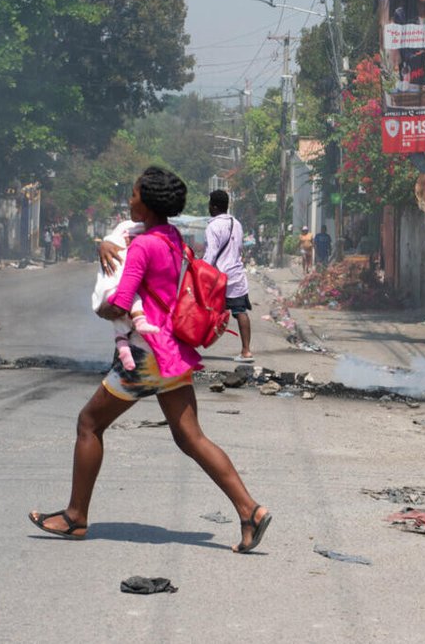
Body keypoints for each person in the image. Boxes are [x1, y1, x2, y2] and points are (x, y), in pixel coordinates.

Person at [29, 167, 271, 553]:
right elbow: (122, 237)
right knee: (190, 437)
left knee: (89, 424)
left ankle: (75, 516)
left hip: (145, 356)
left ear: (148, 201)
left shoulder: (143, 247)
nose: (129, 200)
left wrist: (103, 306)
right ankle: (250, 510)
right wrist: (101, 245)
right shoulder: (171, 238)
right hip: (171, 351)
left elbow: (121, 302)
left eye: (134, 194)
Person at [91, 219, 160, 372]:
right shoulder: (129, 230)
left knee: (123, 324)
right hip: (143, 319)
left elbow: (119, 306)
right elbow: (113, 241)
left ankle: (122, 361)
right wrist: (107, 244)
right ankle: (121, 361)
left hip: (149, 333)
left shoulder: (154, 238)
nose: (130, 201)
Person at [205, 189, 254, 363]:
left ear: (215, 206)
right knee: (241, 311)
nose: (209, 207)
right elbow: (239, 248)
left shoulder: (213, 226)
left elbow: (211, 253)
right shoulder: (237, 224)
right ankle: (246, 351)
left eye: (210, 204)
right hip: (237, 275)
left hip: (219, 277)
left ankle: (191, 346)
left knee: (203, 309)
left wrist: (201, 269)